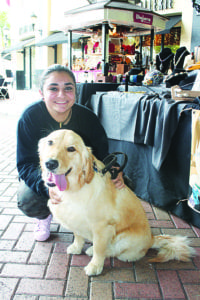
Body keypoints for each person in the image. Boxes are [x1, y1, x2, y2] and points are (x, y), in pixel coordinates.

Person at [17, 64, 124, 242]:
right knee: (27, 198)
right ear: (41, 93)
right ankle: (44, 216)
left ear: (76, 91)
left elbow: (102, 152)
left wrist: (114, 169)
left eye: (68, 88)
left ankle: (91, 218)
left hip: (78, 174)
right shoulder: (30, 118)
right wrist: (45, 186)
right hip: (46, 173)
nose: (61, 95)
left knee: (122, 184)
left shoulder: (88, 118)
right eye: (53, 88)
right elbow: (25, 163)